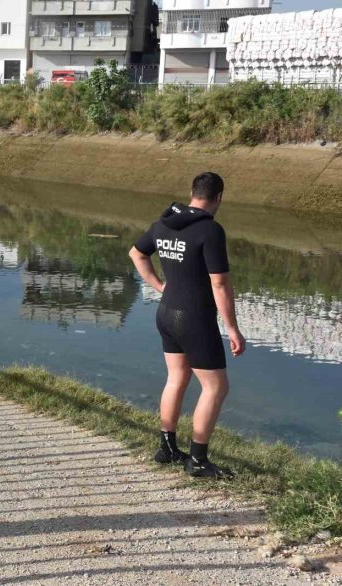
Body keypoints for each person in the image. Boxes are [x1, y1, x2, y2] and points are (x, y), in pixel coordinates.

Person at [129, 172, 246, 479]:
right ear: (218, 198)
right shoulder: (210, 230)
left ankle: (167, 447)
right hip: (193, 318)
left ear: (193, 193)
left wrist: (158, 285)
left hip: (166, 313)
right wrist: (232, 328)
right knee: (216, 387)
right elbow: (219, 282)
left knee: (176, 378)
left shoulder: (164, 222)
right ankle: (197, 460)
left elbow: (137, 253)